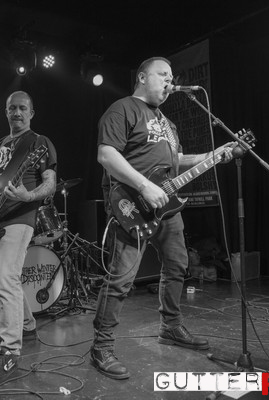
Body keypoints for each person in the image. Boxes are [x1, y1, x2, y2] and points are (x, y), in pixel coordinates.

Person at [91, 56, 235, 380]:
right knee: (121, 279)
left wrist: (212, 156)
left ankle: (170, 326)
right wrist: (144, 185)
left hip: (165, 208)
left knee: (178, 265)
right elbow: (106, 154)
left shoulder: (169, 124)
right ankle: (101, 346)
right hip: (131, 205)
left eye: (172, 77)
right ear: (143, 77)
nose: (170, 81)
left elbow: (177, 160)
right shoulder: (123, 109)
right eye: (163, 75)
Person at [0, 91, 57, 383]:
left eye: (22, 108)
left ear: (31, 112)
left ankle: (10, 352)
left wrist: (28, 195)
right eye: (12, 108)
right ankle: (26, 324)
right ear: (5, 111)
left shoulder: (39, 143)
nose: (17, 112)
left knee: (6, 277)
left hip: (20, 215)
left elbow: (50, 184)